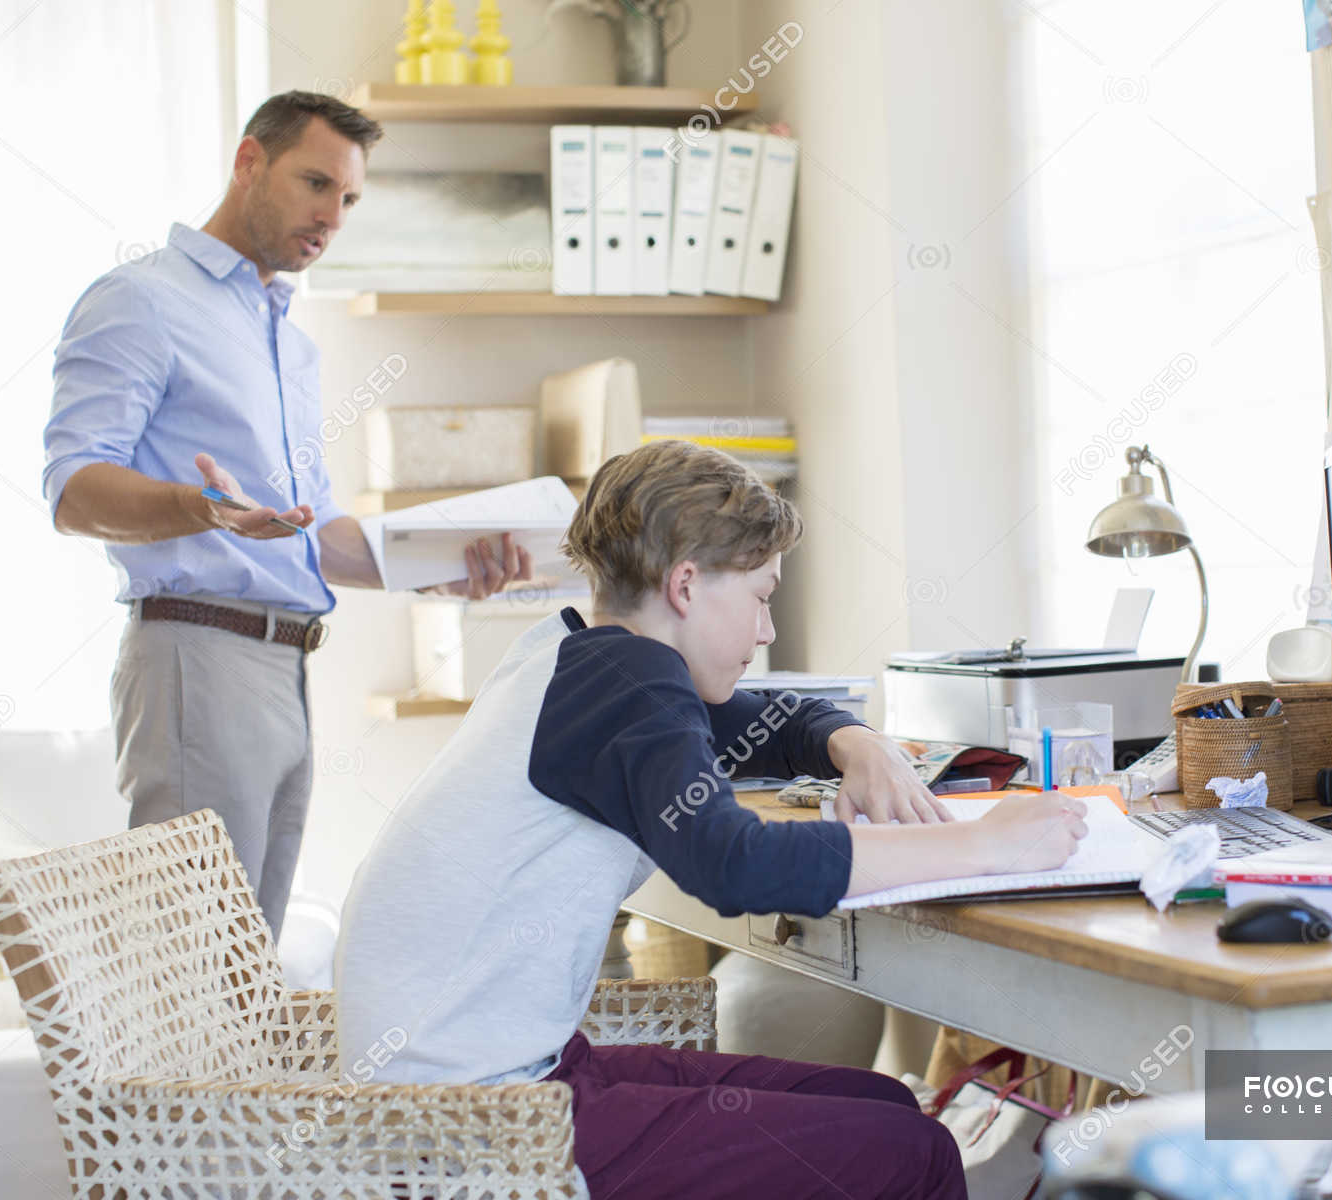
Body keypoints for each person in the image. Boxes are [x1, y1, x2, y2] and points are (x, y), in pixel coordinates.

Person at [334, 439, 1091, 1197]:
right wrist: (985, 846)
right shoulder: (629, 683)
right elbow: (735, 863)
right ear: (687, 585)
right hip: (479, 1120)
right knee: (912, 1149)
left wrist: (853, 741)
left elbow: (771, 721)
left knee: (884, 1101)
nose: (766, 631)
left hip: (472, 1077)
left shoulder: (579, 657)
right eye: (762, 597)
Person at [41, 91, 531, 937]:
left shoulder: (287, 342)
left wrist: (443, 563)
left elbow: (316, 537)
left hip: (286, 667)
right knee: (196, 961)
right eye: (314, 184)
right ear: (247, 164)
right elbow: (73, 491)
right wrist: (201, 509)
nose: (331, 217)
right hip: (198, 650)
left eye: (347, 200)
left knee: (248, 963)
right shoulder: (142, 301)